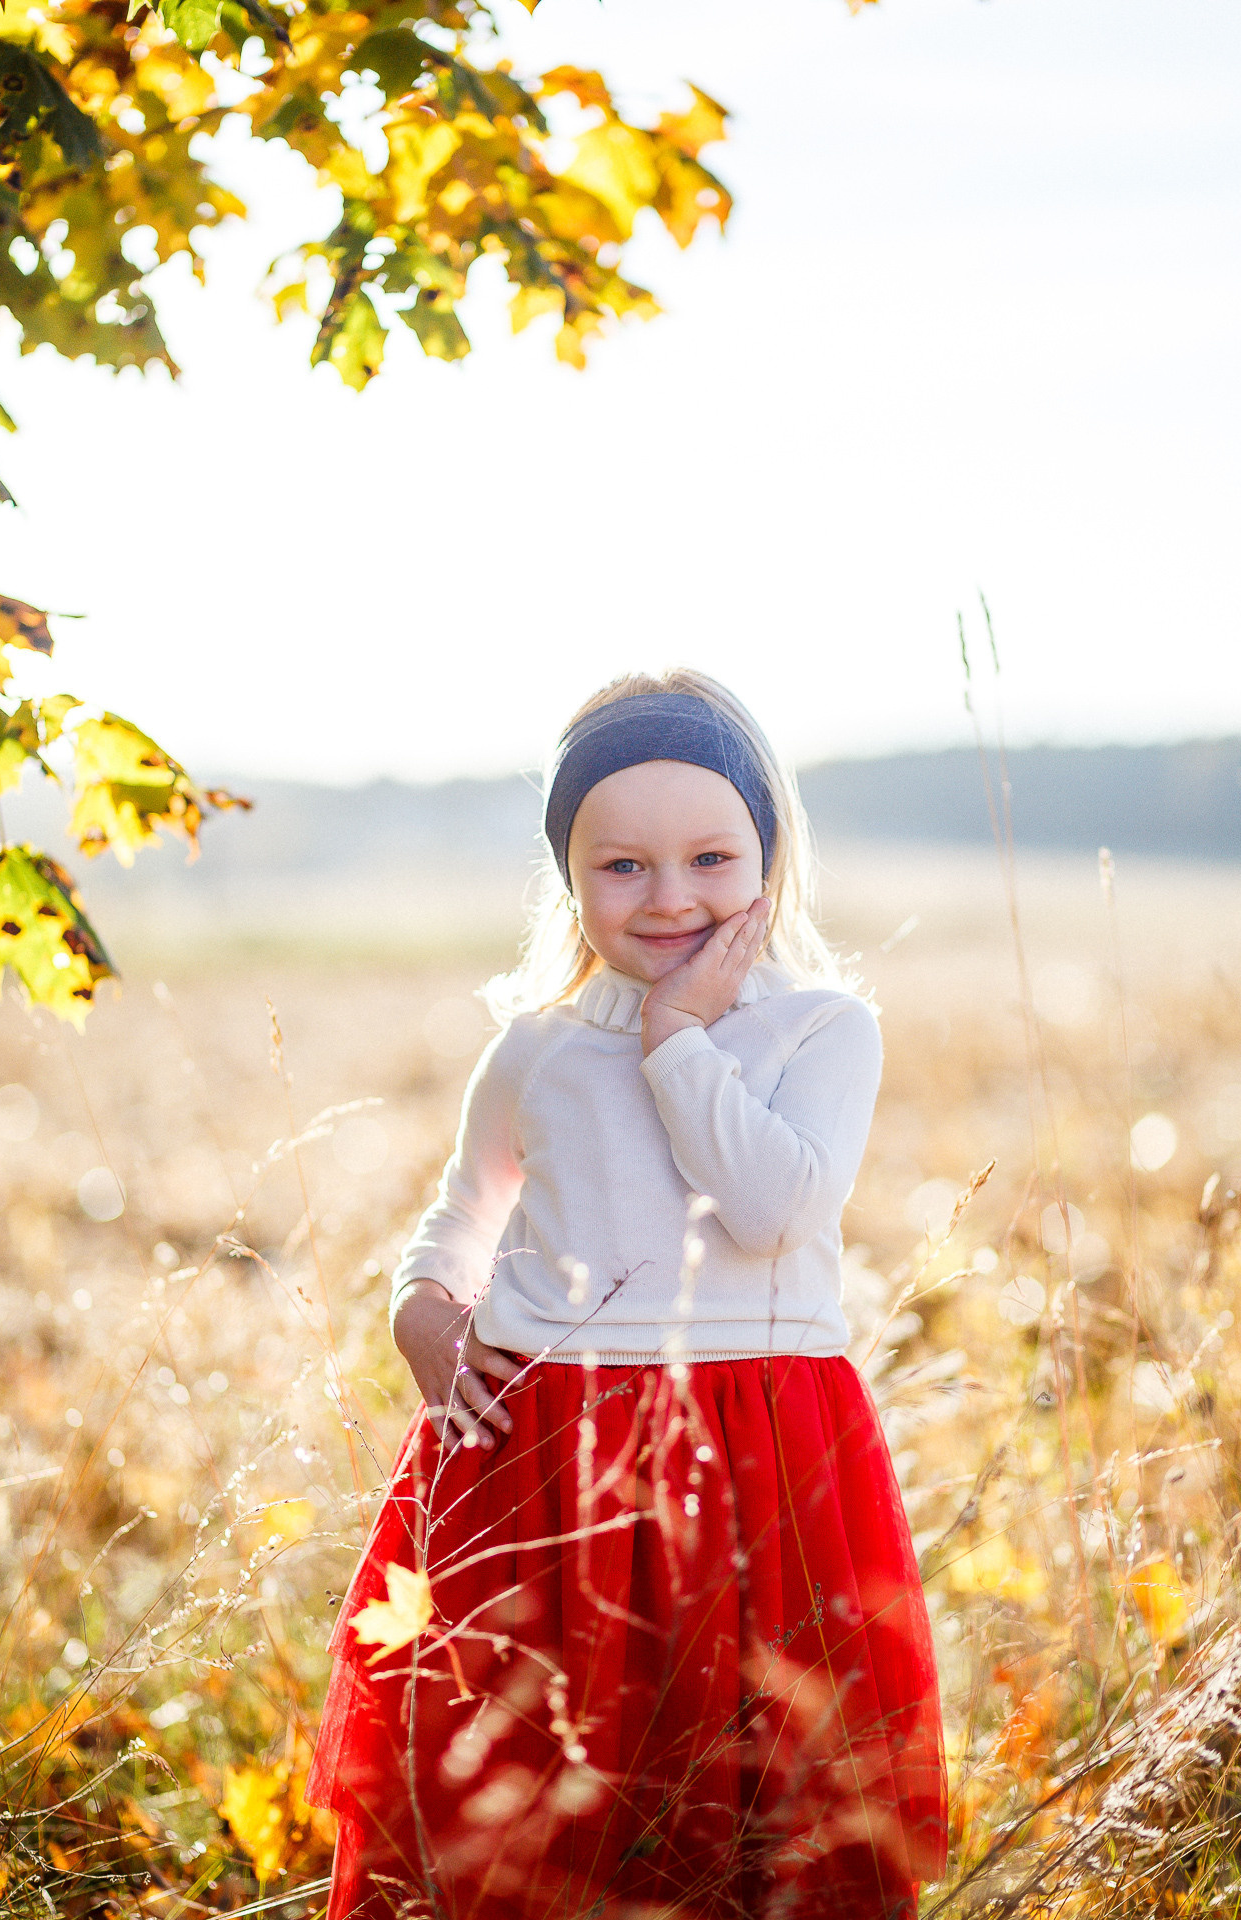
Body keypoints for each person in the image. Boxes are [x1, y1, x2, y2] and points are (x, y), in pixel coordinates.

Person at [306, 670, 946, 1920]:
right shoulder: (536, 1048)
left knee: (762, 1781)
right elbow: (461, 1214)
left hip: (764, 1440)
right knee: (537, 1780)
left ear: (768, 853)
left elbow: (771, 1208)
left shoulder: (821, 1030)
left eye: (709, 856)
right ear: (571, 876)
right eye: (621, 867)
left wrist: (676, 1037)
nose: (670, 898)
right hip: (546, 1445)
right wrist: (420, 1307)